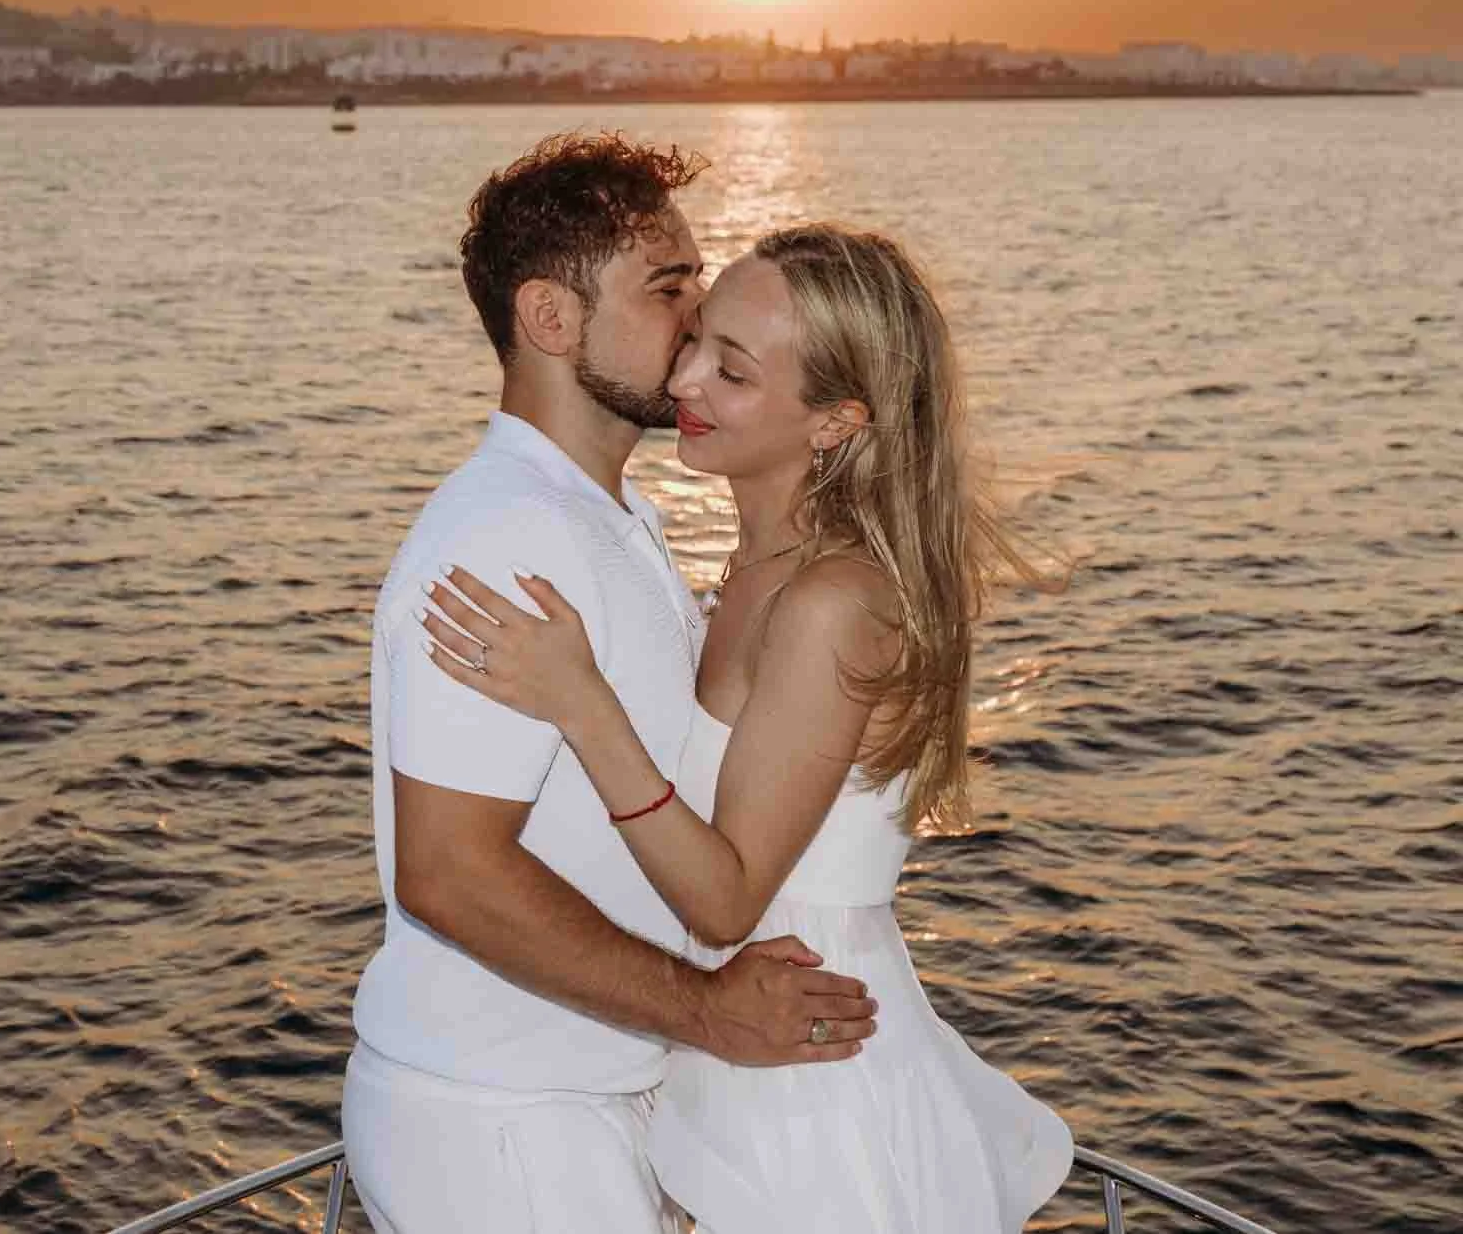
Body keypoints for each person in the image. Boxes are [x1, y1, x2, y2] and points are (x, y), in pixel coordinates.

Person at [418, 223, 1075, 1232]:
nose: (683, 380)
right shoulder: (753, 567)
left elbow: (725, 898)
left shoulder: (831, 601)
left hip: (801, 1058)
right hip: (747, 1033)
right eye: (693, 340)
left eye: (731, 371)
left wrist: (580, 703)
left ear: (832, 422)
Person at [341, 140, 880, 1234]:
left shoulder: (609, 517)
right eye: (666, 287)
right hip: (504, 1124)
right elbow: (446, 872)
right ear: (549, 319)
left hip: (583, 1102)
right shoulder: (503, 537)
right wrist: (707, 1013)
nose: (696, 316)